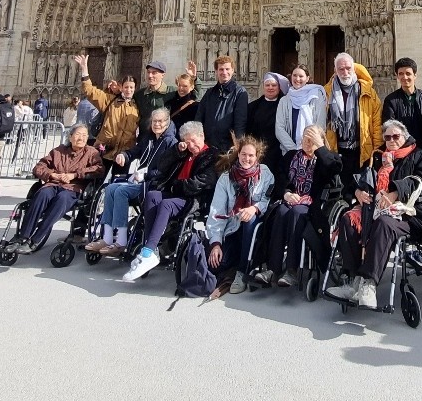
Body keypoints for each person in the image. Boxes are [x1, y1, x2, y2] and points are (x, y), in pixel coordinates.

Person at [330, 119, 422, 310]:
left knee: (383, 223)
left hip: (407, 214)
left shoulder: (419, 155)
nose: (392, 140)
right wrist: (358, 193)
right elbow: (358, 181)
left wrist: (396, 193)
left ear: (405, 136)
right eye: (388, 137)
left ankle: (368, 284)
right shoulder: (377, 157)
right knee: (348, 219)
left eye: (396, 136)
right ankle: (354, 282)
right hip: (374, 210)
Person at [121, 121, 216, 282]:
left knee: (166, 204)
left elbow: (201, 183)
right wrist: (176, 151)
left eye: (194, 140)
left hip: (193, 198)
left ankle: (148, 251)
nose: (191, 145)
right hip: (174, 192)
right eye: (187, 142)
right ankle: (150, 249)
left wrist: (175, 188)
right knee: (152, 195)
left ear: (202, 136)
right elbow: (162, 165)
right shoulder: (184, 152)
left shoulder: (211, 155)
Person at [258, 125, 343, 287]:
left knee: (297, 212)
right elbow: (280, 178)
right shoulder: (291, 156)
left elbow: (334, 169)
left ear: (320, 141)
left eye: (311, 139)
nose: (307, 141)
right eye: (305, 137)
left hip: (313, 206)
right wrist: (286, 193)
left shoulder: (328, 158)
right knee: (281, 211)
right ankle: (272, 269)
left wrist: (321, 148)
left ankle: (292, 270)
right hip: (289, 201)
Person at [90, 107, 177, 257]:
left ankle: (121, 240)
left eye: (160, 121)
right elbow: (134, 151)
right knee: (111, 189)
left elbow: (166, 171)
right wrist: (124, 155)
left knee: (121, 192)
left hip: (152, 184)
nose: (157, 124)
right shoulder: (149, 138)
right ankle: (107, 237)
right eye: (154, 121)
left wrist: (146, 174)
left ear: (167, 123)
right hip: (138, 180)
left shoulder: (171, 142)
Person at [16, 124, 105, 253]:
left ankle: (35, 240)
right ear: (70, 136)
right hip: (53, 184)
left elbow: (99, 169)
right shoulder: (58, 151)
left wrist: (74, 175)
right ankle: (22, 236)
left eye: (85, 135)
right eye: (78, 134)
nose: (82, 138)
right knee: (42, 194)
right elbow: (39, 167)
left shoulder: (91, 152)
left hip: (74, 188)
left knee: (62, 199)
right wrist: (52, 175)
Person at [206, 136, 275, 296]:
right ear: (238, 154)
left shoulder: (266, 174)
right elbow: (217, 212)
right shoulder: (226, 178)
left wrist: (254, 208)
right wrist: (215, 242)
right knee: (217, 265)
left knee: (250, 220)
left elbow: (267, 199)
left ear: (257, 156)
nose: (247, 158)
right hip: (232, 228)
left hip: (256, 226)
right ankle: (232, 261)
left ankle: (242, 271)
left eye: (251, 155)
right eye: (244, 154)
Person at [324, 52, 383, 188]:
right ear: (335, 70)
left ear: (354, 68)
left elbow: (376, 123)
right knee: (341, 191)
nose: (345, 72)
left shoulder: (368, 92)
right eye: (341, 69)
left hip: (362, 151)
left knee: (363, 192)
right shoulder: (326, 92)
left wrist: (378, 150)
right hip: (336, 151)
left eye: (348, 68)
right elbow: (321, 123)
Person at [73, 53, 141, 163]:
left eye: (131, 87)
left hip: (124, 153)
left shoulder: (137, 105)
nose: (129, 90)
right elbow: (89, 91)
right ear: (121, 88)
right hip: (104, 151)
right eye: (126, 87)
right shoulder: (110, 101)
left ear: (135, 88)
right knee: (97, 178)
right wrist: (84, 69)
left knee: (119, 180)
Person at [196, 54, 249, 155]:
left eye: (227, 69)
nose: (224, 72)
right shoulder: (210, 93)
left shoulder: (240, 92)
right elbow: (199, 117)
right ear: (216, 71)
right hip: (208, 146)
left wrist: (237, 144)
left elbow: (240, 121)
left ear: (232, 70)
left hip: (227, 147)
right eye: (221, 69)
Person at [275, 64, 327, 159]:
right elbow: (279, 128)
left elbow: (320, 125)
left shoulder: (316, 96)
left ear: (307, 78)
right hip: (290, 153)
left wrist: (309, 148)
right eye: (294, 75)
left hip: (313, 153)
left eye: (301, 76)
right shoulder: (284, 101)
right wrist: (294, 150)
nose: (297, 79)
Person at [247, 72, 289, 183]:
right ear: (263, 87)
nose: (270, 88)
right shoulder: (253, 107)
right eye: (267, 85)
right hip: (259, 151)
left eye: (274, 85)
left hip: (278, 151)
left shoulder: (285, 105)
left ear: (279, 87)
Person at [382, 58, 422, 150]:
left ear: (415, 75)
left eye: (408, 73)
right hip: (401, 149)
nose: (404, 77)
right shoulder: (391, 100)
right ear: (397, 76)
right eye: (401, 74)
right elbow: (389, 127)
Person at [138, 58, 200, 130]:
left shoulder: (172, 92)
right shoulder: (140, 94)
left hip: (164, 136)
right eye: (148, 72)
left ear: (162, 75)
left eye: (154, 73)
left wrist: (193, 78)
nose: (150, 76)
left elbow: (194, 96)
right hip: (144, 138)